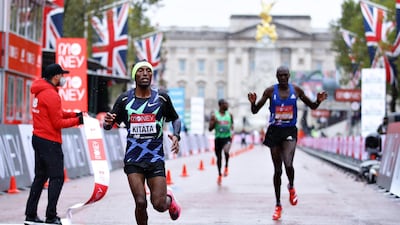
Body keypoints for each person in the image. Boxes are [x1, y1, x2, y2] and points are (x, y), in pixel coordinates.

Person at [103, 60, 181, 225]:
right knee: (140, 202)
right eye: (141, 71)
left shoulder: (161, 98)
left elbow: (175, 118)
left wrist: (176, 135)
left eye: (148, 71)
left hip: (155, 158)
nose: (145, 73)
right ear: (134, 76)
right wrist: (108, 122)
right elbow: (108, 125)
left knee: (159, 205)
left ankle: (169, 199)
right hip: (133, 159)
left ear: (152, 75)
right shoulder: (124, 99)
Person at [247, 65, 327, 221]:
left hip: (289, 130)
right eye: (280, 75)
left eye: (285, 75)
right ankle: (278, 205)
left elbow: (312, 106)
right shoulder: (270, 91)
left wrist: (318, 100)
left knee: (288, 164)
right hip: (274, 131)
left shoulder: (296, 90)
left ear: (289, 76)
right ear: (276, 76)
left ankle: (291, 186)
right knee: (277, 171)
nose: (283, 78)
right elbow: (255, 110)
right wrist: (252, 102)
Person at [25, 63, 84, 225]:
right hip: (50, 141)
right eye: (62, 75)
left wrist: (74, 114)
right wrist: (78, 120)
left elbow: (57, 113)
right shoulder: (51, 94)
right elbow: (57, 122)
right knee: (57, 177)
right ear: (56, 76)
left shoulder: (41, 91)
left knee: (40, 177)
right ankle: (51, 216)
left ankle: (30, 215)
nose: (63, 79)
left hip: (38, 138)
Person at [208, 99, 234, 185]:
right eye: (226, 104)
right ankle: (219, 174)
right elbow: (210, 129)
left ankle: (226, 166)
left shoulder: (230, 115)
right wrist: (214, 122)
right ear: (221, 105)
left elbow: (232, 125)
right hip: (218, 138)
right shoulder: (214, 115)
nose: (227, 105)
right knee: (219, 157)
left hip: (227, 138)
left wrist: (231, 131)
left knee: (226, 151)